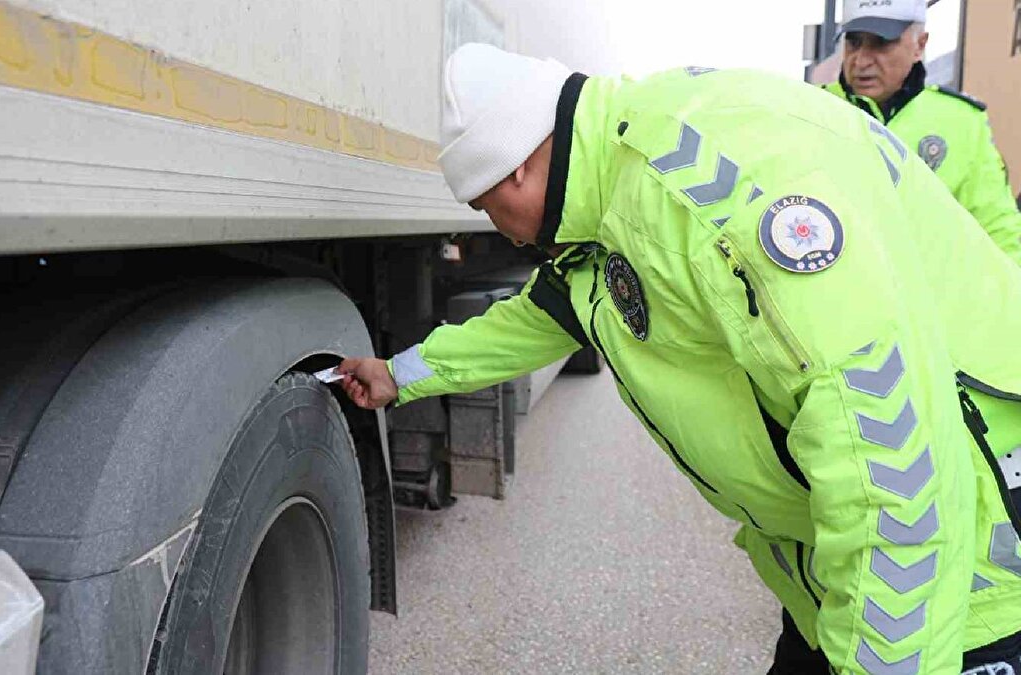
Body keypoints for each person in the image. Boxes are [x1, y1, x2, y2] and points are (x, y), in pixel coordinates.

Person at [339, 43, 1021, 674]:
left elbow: (886, 451)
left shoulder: (712, 197)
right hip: (838, 573)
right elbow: (529, 323)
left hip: (957, 577)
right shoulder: (607, 199)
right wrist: (401, 374)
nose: (497, 230)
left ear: (517, 169)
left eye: (488, 207)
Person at [822, 0, 1021, 263]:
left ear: (920, 45)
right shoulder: (812, 109)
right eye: (854, 42)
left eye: (880, 43)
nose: (861, 60)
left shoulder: (961, 121)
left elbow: (996, 226)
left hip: (929, 298)